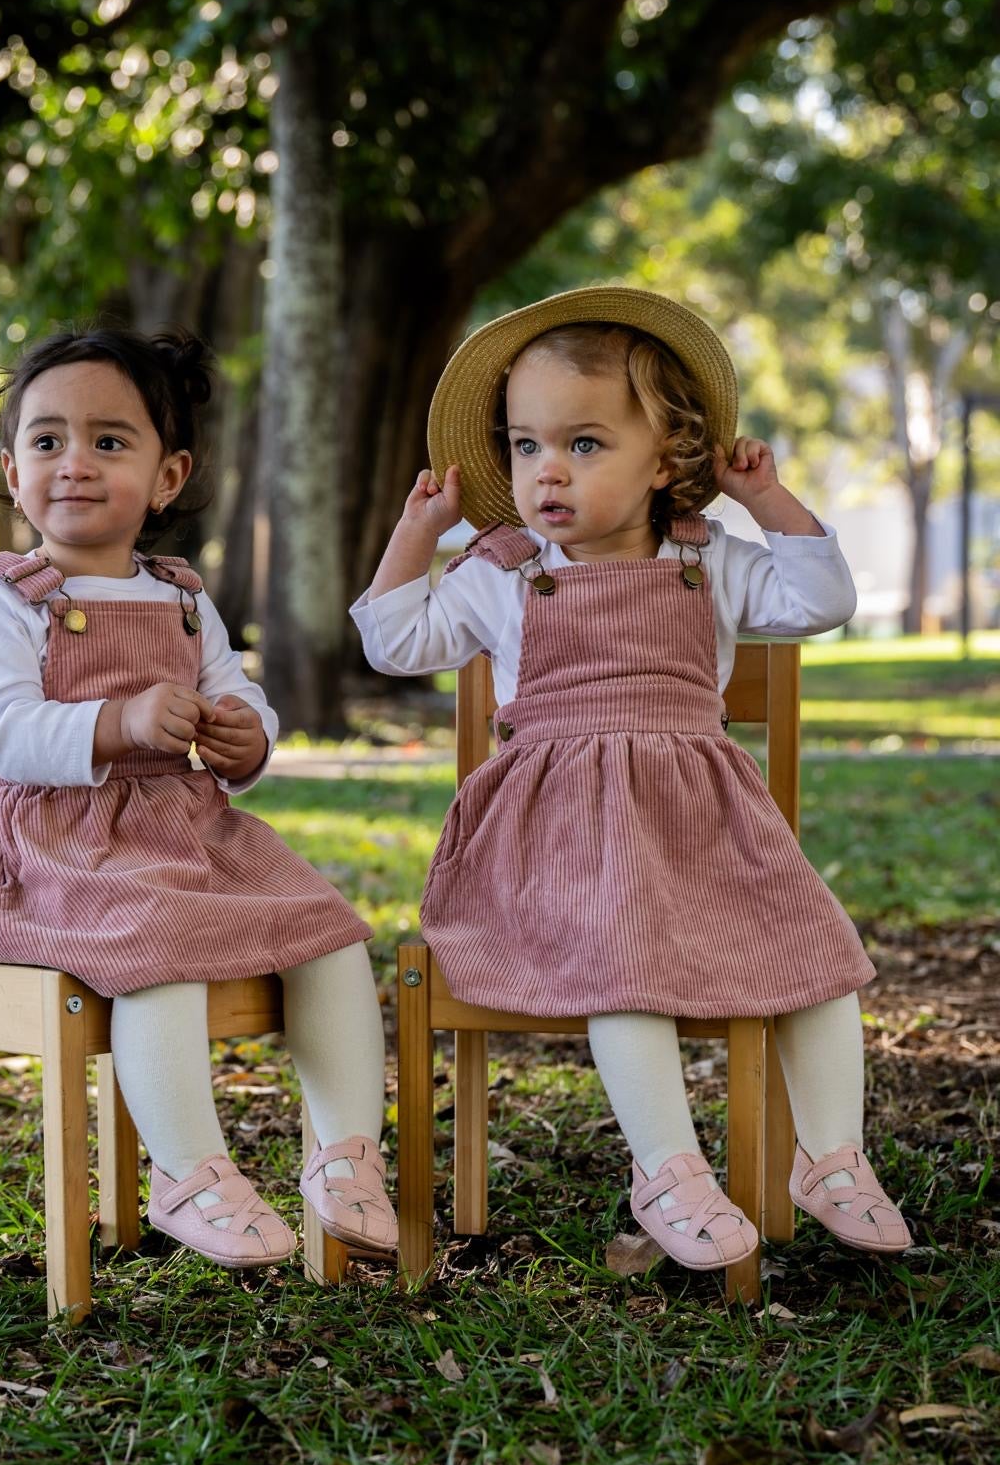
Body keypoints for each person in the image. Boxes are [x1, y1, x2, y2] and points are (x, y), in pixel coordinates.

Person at [352, 286, 910, 1272]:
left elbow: (822, 599)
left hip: (700, 838)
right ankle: (667, 1169)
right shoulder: (502, 573)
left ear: (665, 462)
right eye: (524, 446)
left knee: (822, 955)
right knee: (622, 954)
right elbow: (393, 639)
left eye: (583, 444)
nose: (545, 472)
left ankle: (829, 1158)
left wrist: (765, 500)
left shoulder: (710, 560)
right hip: (554, 847)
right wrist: (416, 531)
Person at [0, 325, 396, 1269]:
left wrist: (247, 736)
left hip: (185, 830)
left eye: (109, 441)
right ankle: (188, 1174)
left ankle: (344, 1160)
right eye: (47, 441)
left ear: (167, 477)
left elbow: (236, 692)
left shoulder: (181, 594)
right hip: (50, 847)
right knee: (157, 938)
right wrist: (120, 723)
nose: (75, 463)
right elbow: (3, 734)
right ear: (14, 473)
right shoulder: (2, 600)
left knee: (329, 928)